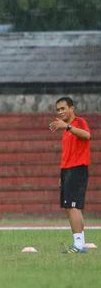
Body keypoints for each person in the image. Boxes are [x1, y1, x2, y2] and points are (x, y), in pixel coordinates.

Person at [49, 96, 91, 253]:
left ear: (72, 108)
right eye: (58, 110)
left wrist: (67, 126)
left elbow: (87, 135)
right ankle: (81, 242)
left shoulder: (78, 123)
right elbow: (68, 153)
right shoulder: (67, 129)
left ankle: (78, 245)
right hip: (68, 170)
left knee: (73, 207)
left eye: (63, 108)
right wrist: (63, 174)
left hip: (77, 169)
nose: (60, 112)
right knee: (71, 207)